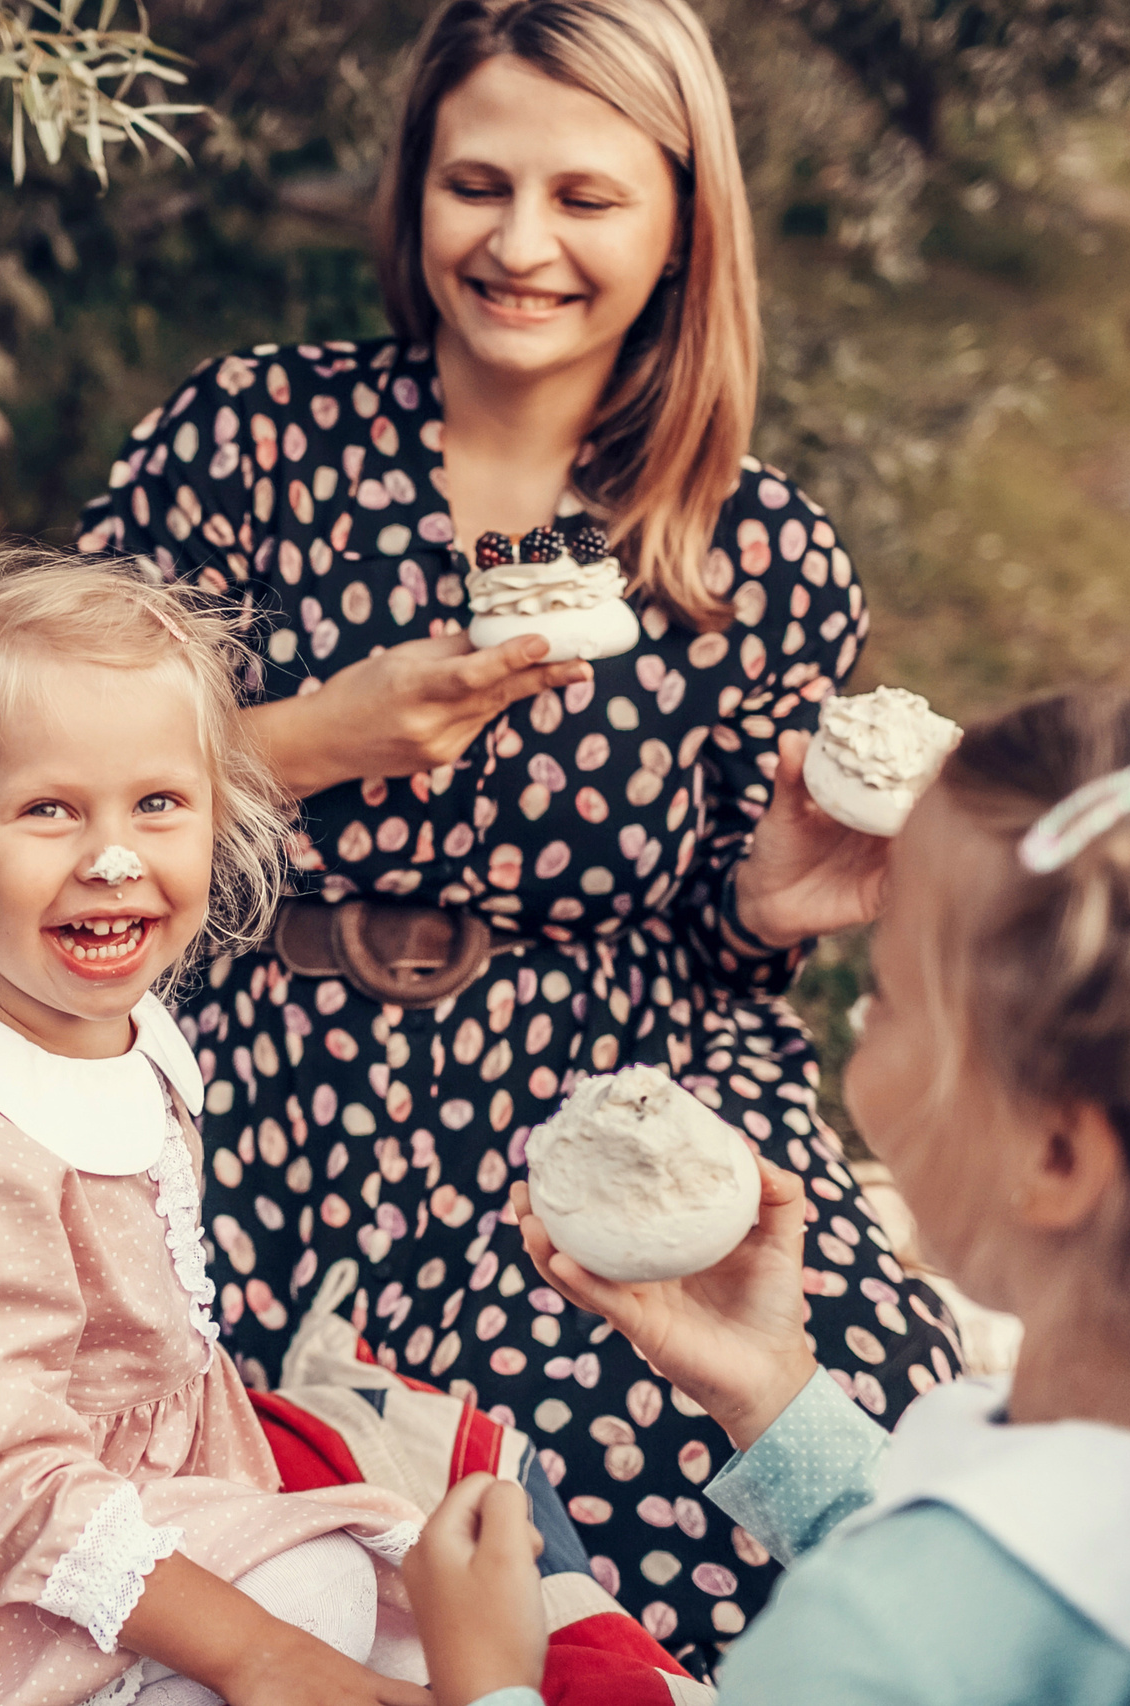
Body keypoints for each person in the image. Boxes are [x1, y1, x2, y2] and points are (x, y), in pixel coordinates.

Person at [75, 0, 956, 1662]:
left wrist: (765, 902)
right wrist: (304, 741)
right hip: (260, 1046)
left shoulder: (755, 554)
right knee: (142, 1485)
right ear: (415, 192)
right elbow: (49, 798)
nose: (522, 244)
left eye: (588, 199)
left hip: (605, 1090)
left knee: (827, 1439)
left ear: (686, 221)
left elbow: (711, 951)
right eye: (477, 184)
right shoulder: (253, 440)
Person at [405, 668, 1130, 1704]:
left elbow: (928, 1637)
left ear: (1054, 1157)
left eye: (888, 995)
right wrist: (771, 1394)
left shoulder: (867, 1643)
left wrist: (493, 1682)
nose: (857, 1031)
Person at [0, 550, 431, 1706]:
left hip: (119, 1454)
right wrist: (249, 1645)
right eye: (48, 809)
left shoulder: (117, 1014)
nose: (112, 858)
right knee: (314, 1609)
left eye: (157, 803)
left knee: (372, 1602)